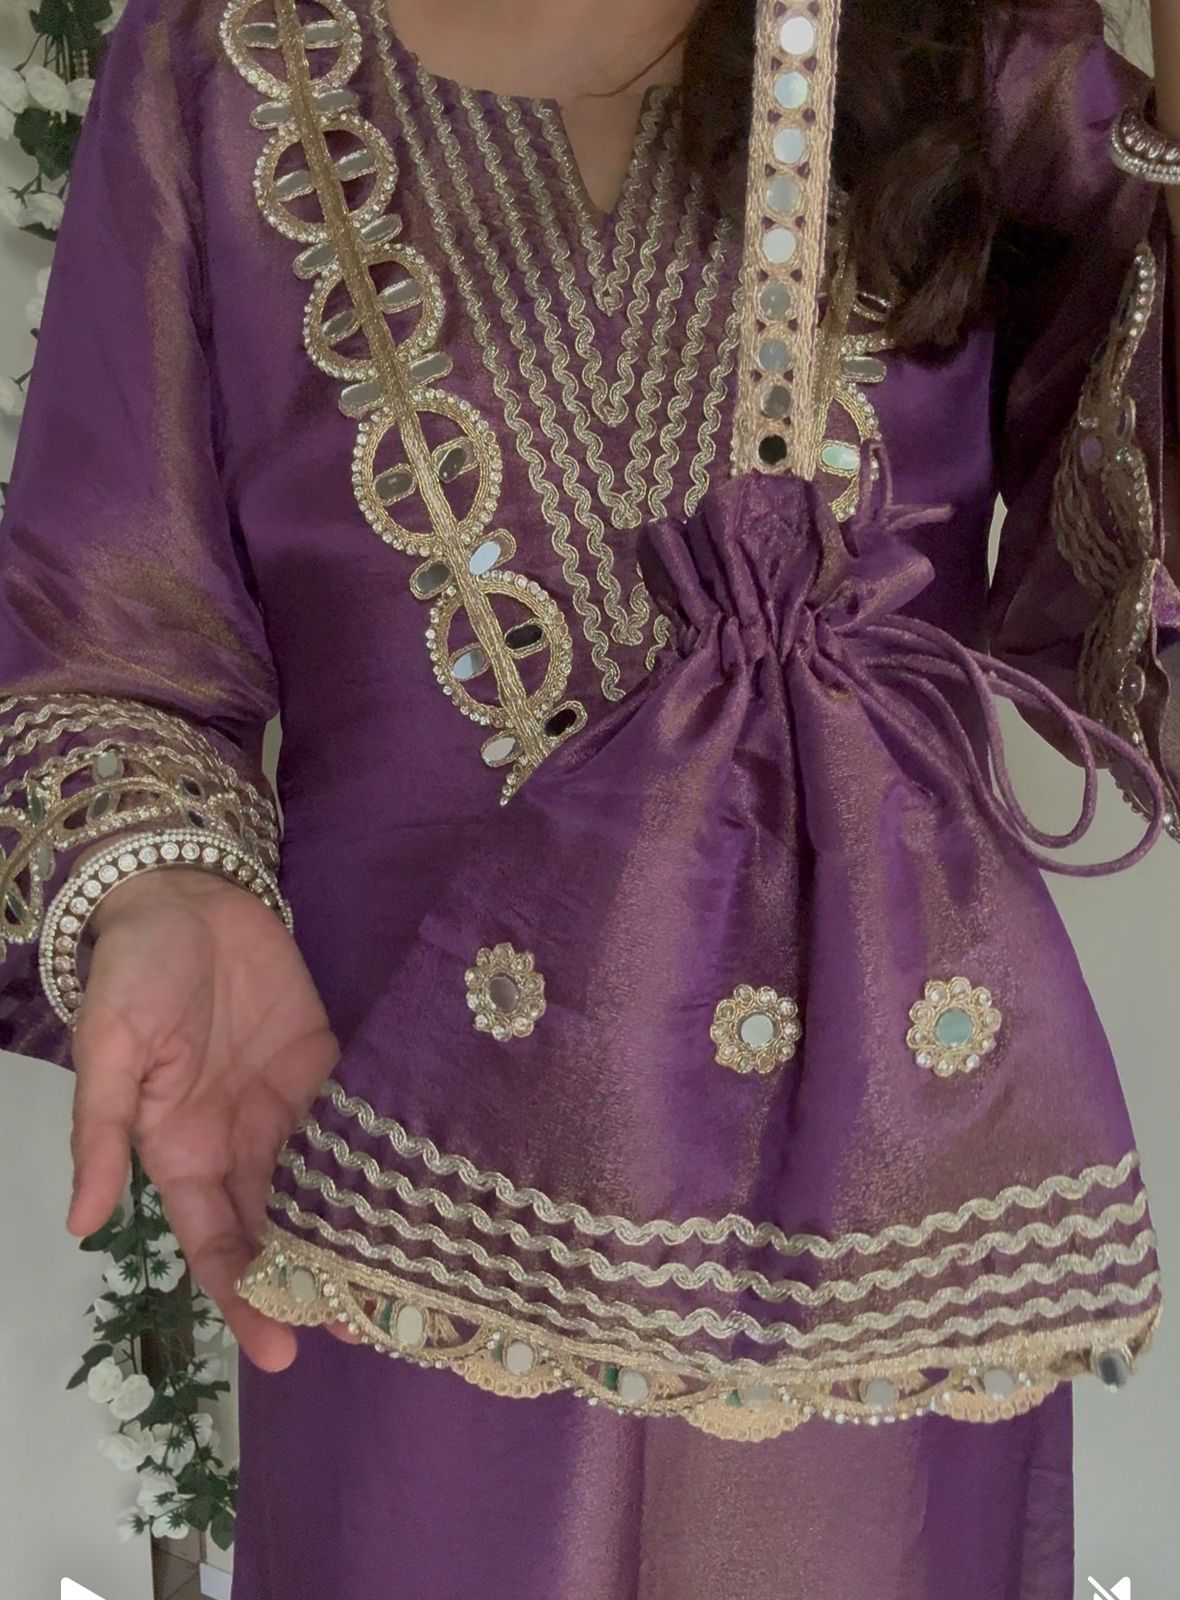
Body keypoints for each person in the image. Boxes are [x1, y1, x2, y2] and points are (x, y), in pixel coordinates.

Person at [1, 0, 1178, 1595]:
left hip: (876, 1224)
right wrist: (157, 877)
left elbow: (1140, 593)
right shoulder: (224, 54)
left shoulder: (973, 48)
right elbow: (105, 641)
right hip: (391, 1171)